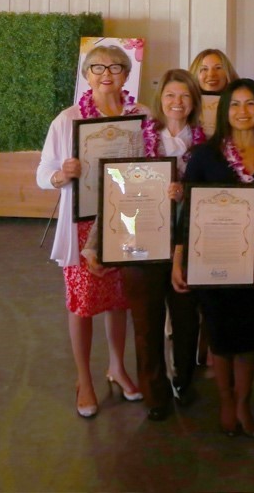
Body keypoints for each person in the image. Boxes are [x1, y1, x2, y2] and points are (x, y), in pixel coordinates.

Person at [175, 78, 254, 437]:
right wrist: (179, 258)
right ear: (224, 110)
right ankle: (226, 401)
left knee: (248, 335)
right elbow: (189, 212)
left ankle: (244, 402)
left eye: (250, 104)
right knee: (220, 333)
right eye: (235, 105)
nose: (242, 112)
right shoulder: (206, 155)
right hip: (214, 261)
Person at [82, 68, 207, 421]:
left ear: (194, 101)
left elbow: (215, 197)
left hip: (185, 247)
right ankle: (154, 393)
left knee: (185, 322)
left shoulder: (207, 144)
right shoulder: (138, 139)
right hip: (141, 245)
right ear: (160, 100)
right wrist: (95, 244)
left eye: (184, 95)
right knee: (146, 324)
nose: (177, 102)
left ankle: (184, 381)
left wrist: (186, 193)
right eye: (170, 95)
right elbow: (115, 192)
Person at [39, 44, 145, 419]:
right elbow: (42, 175)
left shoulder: (141, 116)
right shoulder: (67, 120)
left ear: (126, 74)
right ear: (86, 75)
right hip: (82, 224)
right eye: (97, 67)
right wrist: (61, 174)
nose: (106, 74)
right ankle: (83, 378)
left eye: (115, 67)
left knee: (120, 299)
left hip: (126, 221)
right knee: (83, 303)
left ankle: (117, 366)